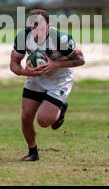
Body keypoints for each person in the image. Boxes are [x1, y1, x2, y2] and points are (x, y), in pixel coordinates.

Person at [10, 9, 85, 161]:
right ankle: (33, 152)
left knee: (43, 121)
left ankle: (61, 107)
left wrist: (55, 64)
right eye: (33, 24)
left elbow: (81, 60)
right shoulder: (23, 36)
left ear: (48, 24)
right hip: (36, 79)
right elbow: (14, 64)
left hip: (59, 80)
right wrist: (27, 73)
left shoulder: (60, 39)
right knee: (26, 117)